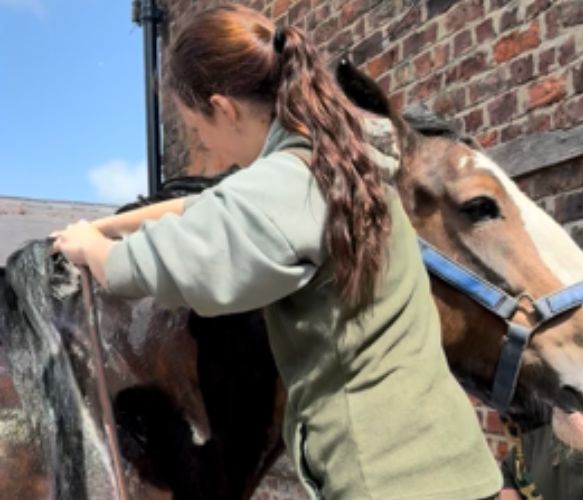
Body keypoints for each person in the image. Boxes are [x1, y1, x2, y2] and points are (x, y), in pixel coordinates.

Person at [50, 5, 502, 498]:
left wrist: (97, 250)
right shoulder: (340, 163)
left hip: (385, 481)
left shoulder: (288, 184)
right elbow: (213, 206)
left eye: (196, 128)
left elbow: (168, 263)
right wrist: (105, 224)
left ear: (223, 108)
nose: (202, 143)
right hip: (446, 464)